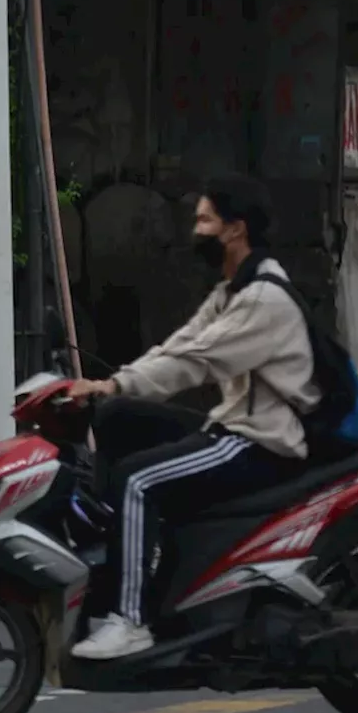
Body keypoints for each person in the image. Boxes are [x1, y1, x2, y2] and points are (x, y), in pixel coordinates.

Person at [65, 175, 318, 660]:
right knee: (117, 418)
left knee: (136, 481)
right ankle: (119, 563)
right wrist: (111, 387)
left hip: (261, 444)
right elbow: (179, 343)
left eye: (205, 220)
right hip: (233, 427)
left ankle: (130, 621)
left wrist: (114, 381)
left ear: (235, 230)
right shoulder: (233, 289)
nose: (194, 230)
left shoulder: (264, 300)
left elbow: (192, 363)